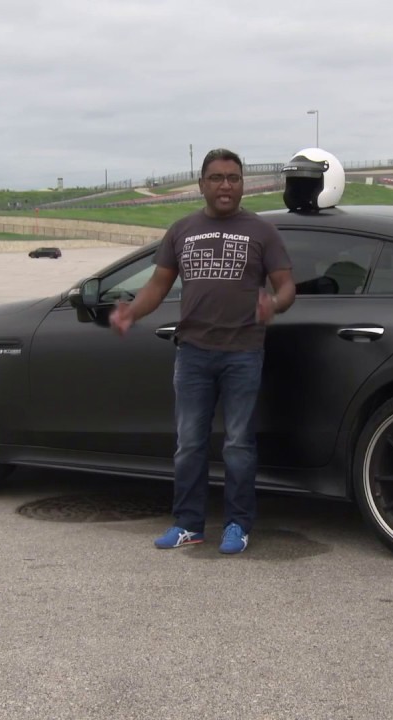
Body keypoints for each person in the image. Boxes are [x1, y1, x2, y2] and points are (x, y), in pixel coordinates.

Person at [110, 148, 295, 555]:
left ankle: (237, 524)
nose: (226, 185)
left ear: (243, 183)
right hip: (192, 352)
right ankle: (188, 524)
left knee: (238, 444)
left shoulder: (262, 232)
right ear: (202, 184)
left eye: (233, 178)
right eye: (217, 178)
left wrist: (274, 304)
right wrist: (132, 312)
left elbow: (286, 285)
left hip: (243, 352)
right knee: (190, 443)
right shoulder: (181, 230)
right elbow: (158, 286)